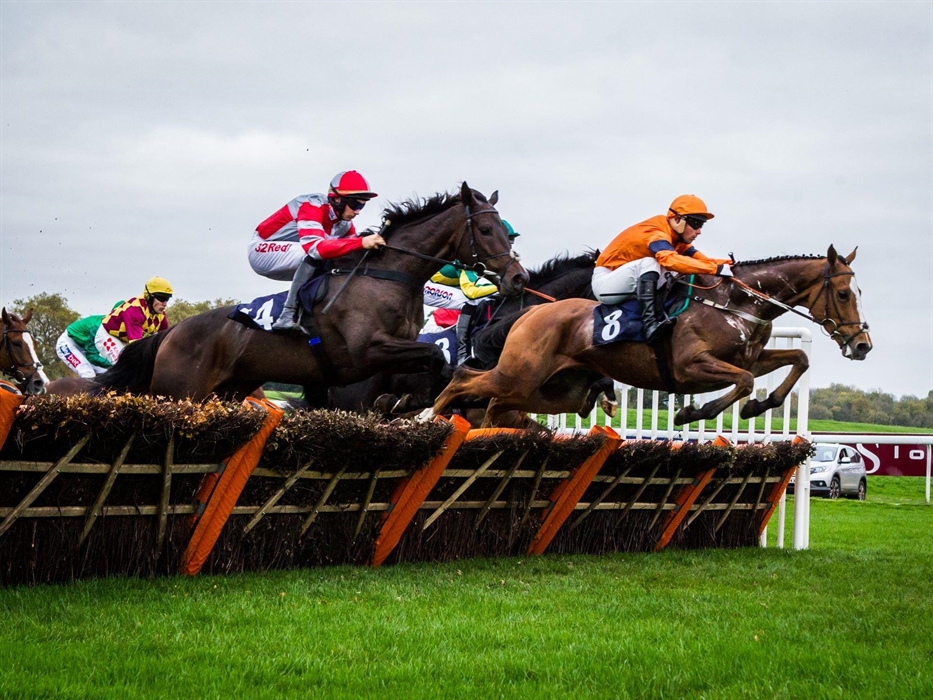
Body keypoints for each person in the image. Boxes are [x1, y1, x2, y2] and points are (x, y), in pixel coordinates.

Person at [247, 170, 386, 332]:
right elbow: (315, 249)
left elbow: (351, 252)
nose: (358, 211)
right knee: (315, 254)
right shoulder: (312, 206)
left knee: (337, 260)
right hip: (262, 250)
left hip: (292, 257)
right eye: (355, 205)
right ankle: (287, 315)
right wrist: (362, 242)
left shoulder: (344, 223)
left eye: (362, 205)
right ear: (338, 199)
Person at [591, 195, 732, 344]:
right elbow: (670, 260)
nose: (699, 231)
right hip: (606, 285)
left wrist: (730, 264)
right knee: (652, 263)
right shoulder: (656, 232)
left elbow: (703, 261)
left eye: (701, 225)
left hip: (628, 283)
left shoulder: (677, 239)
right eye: (696, 224)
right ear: (677, 220)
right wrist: (715, 269)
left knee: (683, 269)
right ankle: (649, 325)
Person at [422, 221, 520, 363]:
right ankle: (462, 351)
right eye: (508, 240)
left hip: (449, 288)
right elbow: (471, 291)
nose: (509, 246)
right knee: (470, 300)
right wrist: (503, 286)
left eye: (511, 241)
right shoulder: (470, 258)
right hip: (425, 286)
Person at [95, 277, 173, 365]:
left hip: (126, 340)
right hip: (107, 335)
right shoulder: (135, 310)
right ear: (149, 297)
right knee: (125, 365)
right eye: (162, 298)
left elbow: (165, 341)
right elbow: (136, 346)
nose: (165, 304)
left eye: (167, 299)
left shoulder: (160, 314)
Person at [55, 302, 124, 378]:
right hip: (67, 344)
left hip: (85, 347)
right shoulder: (98, 328)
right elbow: (92, 356)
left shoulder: (118, 330)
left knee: (106, 373)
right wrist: (115, 366)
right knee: (87, 373)